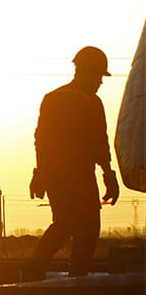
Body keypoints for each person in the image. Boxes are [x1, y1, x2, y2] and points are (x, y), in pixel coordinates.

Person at [27, 46, 120, 279]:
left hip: (57, 176)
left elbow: (41, 141)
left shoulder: (53, 99)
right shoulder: (91, 102)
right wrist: (109, 176)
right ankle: (76, 276)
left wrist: (40, 175)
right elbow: (100, 143)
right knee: (86, 228)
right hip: (78, 176)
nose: (100, 82)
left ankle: (34, 273)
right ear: (85, 72)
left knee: (64, 224)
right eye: (99, 76)